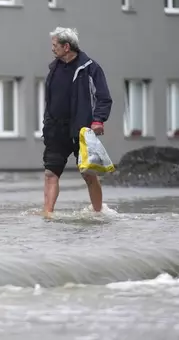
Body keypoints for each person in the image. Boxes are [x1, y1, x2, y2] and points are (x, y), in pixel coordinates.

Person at [42, 27, 113, 216]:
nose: (52, 49)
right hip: (55, 130)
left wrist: (98, 120)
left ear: (66, 47)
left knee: (89, 174)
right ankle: (47, 215)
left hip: (81, 130)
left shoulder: (90, 68)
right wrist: (47, 123)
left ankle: (98, 213)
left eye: (55, 45)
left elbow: (104, 97)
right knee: (50, 174)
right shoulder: (54, 67)